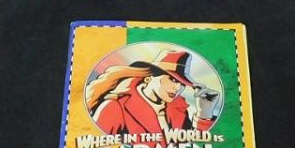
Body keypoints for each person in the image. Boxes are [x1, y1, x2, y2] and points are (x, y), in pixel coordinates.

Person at [86, 49, 219, 137]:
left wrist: (204, 113)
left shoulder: (179, 111)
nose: (178, 87)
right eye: (172, 79)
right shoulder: (114, 107)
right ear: (148, 78)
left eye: (182, 83)